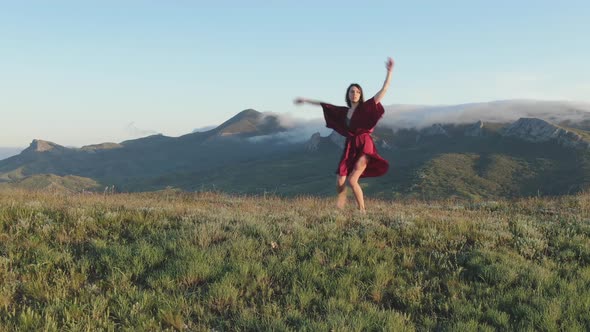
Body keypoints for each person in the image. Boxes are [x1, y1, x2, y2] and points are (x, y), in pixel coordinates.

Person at [294, 57, 394, 212]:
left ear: (361, 95)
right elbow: (324, 105)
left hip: (364, 145)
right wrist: (305, 100)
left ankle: (362, 210)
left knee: (353, 180)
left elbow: (384, 89)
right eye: (352, 91)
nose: (354, 93)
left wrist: (389, 72)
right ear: (348, 95)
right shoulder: (343, 112)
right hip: (351, 145)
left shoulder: (366, 107)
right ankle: (340, 204)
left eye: (357, 92)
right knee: (340, 179)